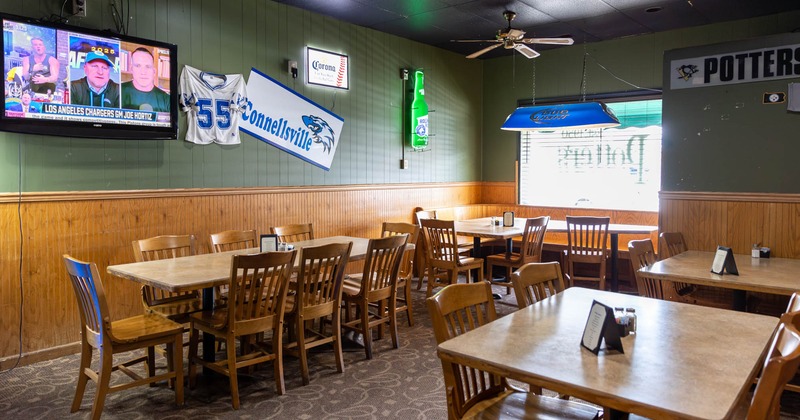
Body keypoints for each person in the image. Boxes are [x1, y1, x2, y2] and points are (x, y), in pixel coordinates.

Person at [121, 47, 170, 112]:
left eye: (148, 66)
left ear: (154, 72)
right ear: (131, 69)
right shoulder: (117, 91)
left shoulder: (166, 99)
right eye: (138, 66)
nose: (143, 72)